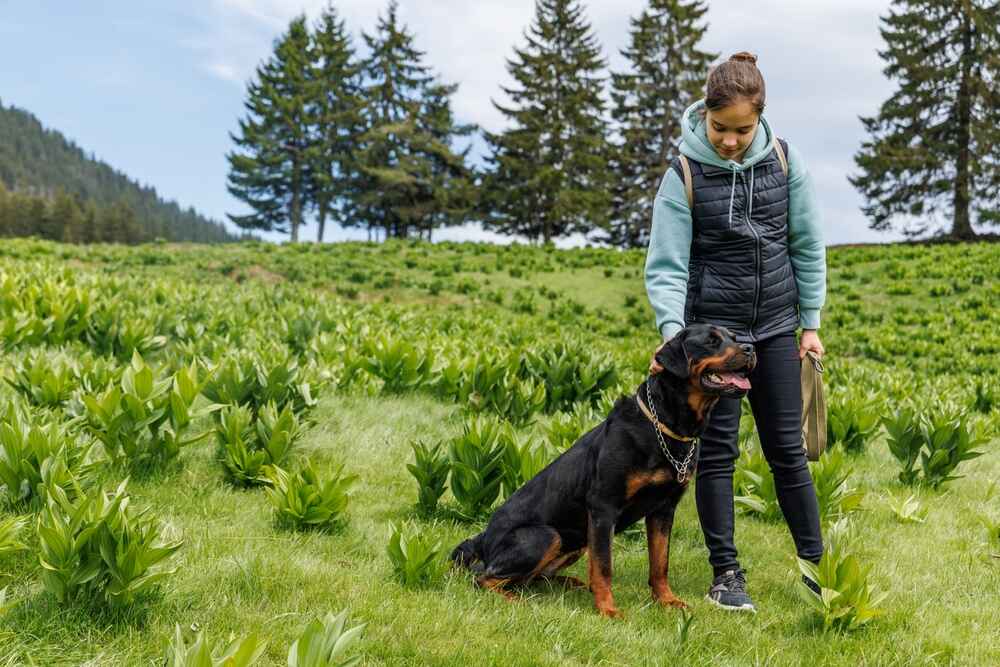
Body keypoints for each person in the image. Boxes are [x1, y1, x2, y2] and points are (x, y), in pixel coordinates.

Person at [643, 51, 826, 613]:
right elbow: (668, 266)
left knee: (787, 453)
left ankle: (820, 569)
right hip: (713, 342)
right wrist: (674, 340)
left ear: (760, 119)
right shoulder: (684, 174)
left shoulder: (785, 162)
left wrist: (810, 324)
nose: (729, 140)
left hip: (774, 328)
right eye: (720, 128)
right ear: (705, 115)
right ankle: (727, 575)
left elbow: (806, 245)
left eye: (742, 130)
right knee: (716, 457)